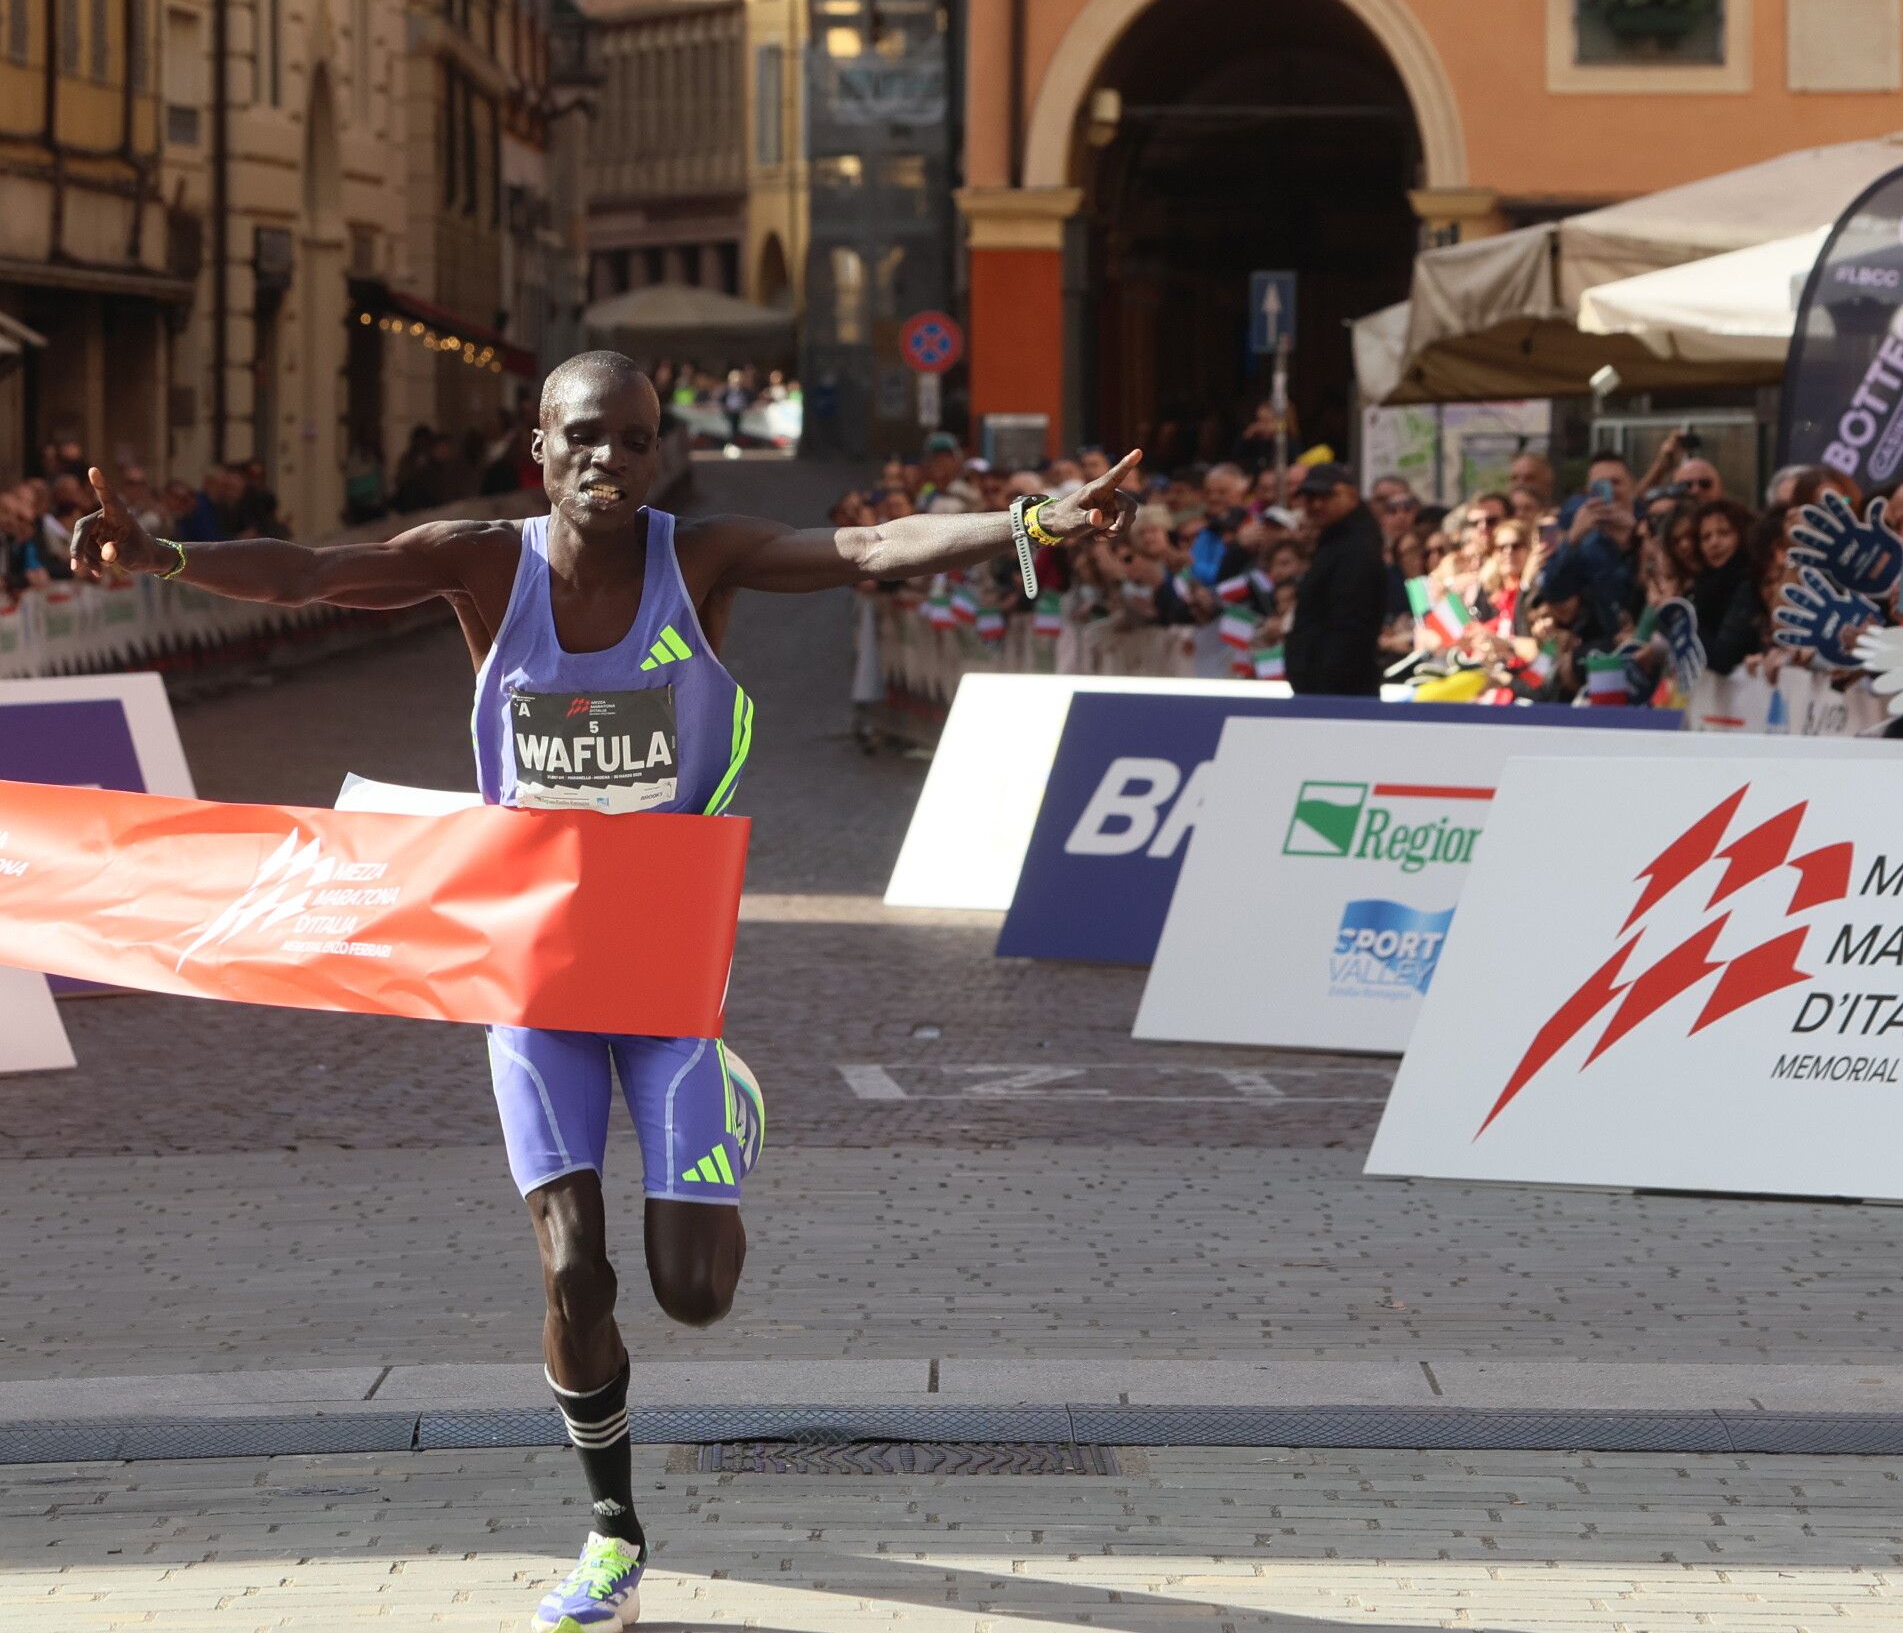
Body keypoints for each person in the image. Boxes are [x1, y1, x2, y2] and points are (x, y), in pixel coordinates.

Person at [70, 350, 1139, 1633]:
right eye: (584, 438)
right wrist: (163, 559)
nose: (609, 464)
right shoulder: (482, 563)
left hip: (664, 965)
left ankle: (721, 1105)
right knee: (573, 1271)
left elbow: (868, 549)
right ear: (538, 450)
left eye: (635, 442)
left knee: (692, 1289)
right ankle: (612, 1533)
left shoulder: (701, 560)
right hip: (529, 967)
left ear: (658, 453)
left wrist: (1023, 520)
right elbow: (311, 572)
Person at [1282, 462, 1387, 696]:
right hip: (1327, 688)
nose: (1317, 504)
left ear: (1351, 495)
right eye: (1310, 497)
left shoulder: (1355, 549)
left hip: (1337, 692)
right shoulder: (1338, 542)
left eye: (1326, 496)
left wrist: (1325, 683)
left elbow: (1350, 626)